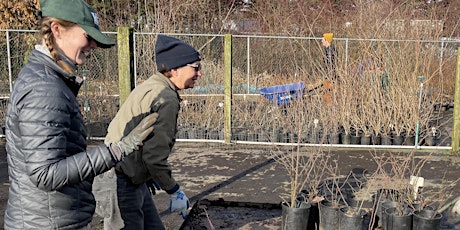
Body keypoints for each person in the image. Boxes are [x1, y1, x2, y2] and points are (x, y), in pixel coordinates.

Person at [3, 0, 158, 229]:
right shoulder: (45, 88)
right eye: (88, 36)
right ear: (57, 30)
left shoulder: (49, 80)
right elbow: (45, 174)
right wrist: (117, 150)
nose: (93, 45)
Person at [101, 34, 201, 229]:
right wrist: (174, 190)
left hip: (129, 175)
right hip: (120, 180)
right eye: (195, 68)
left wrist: (147, 174)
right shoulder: (166, 98)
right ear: (175, 69)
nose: (199, 74)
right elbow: (154, 157)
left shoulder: (150, 86)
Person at [321, 33, 338, 105]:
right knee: (326, 90)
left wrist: (330, 75)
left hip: (330, 75)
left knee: (328, 91)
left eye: (323, 39)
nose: (322, 41)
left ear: (326, 40)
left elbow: (331, 64)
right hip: (327, 74)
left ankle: (329, 105)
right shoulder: (327, 50)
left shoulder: (331, 51)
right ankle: (327, 104)